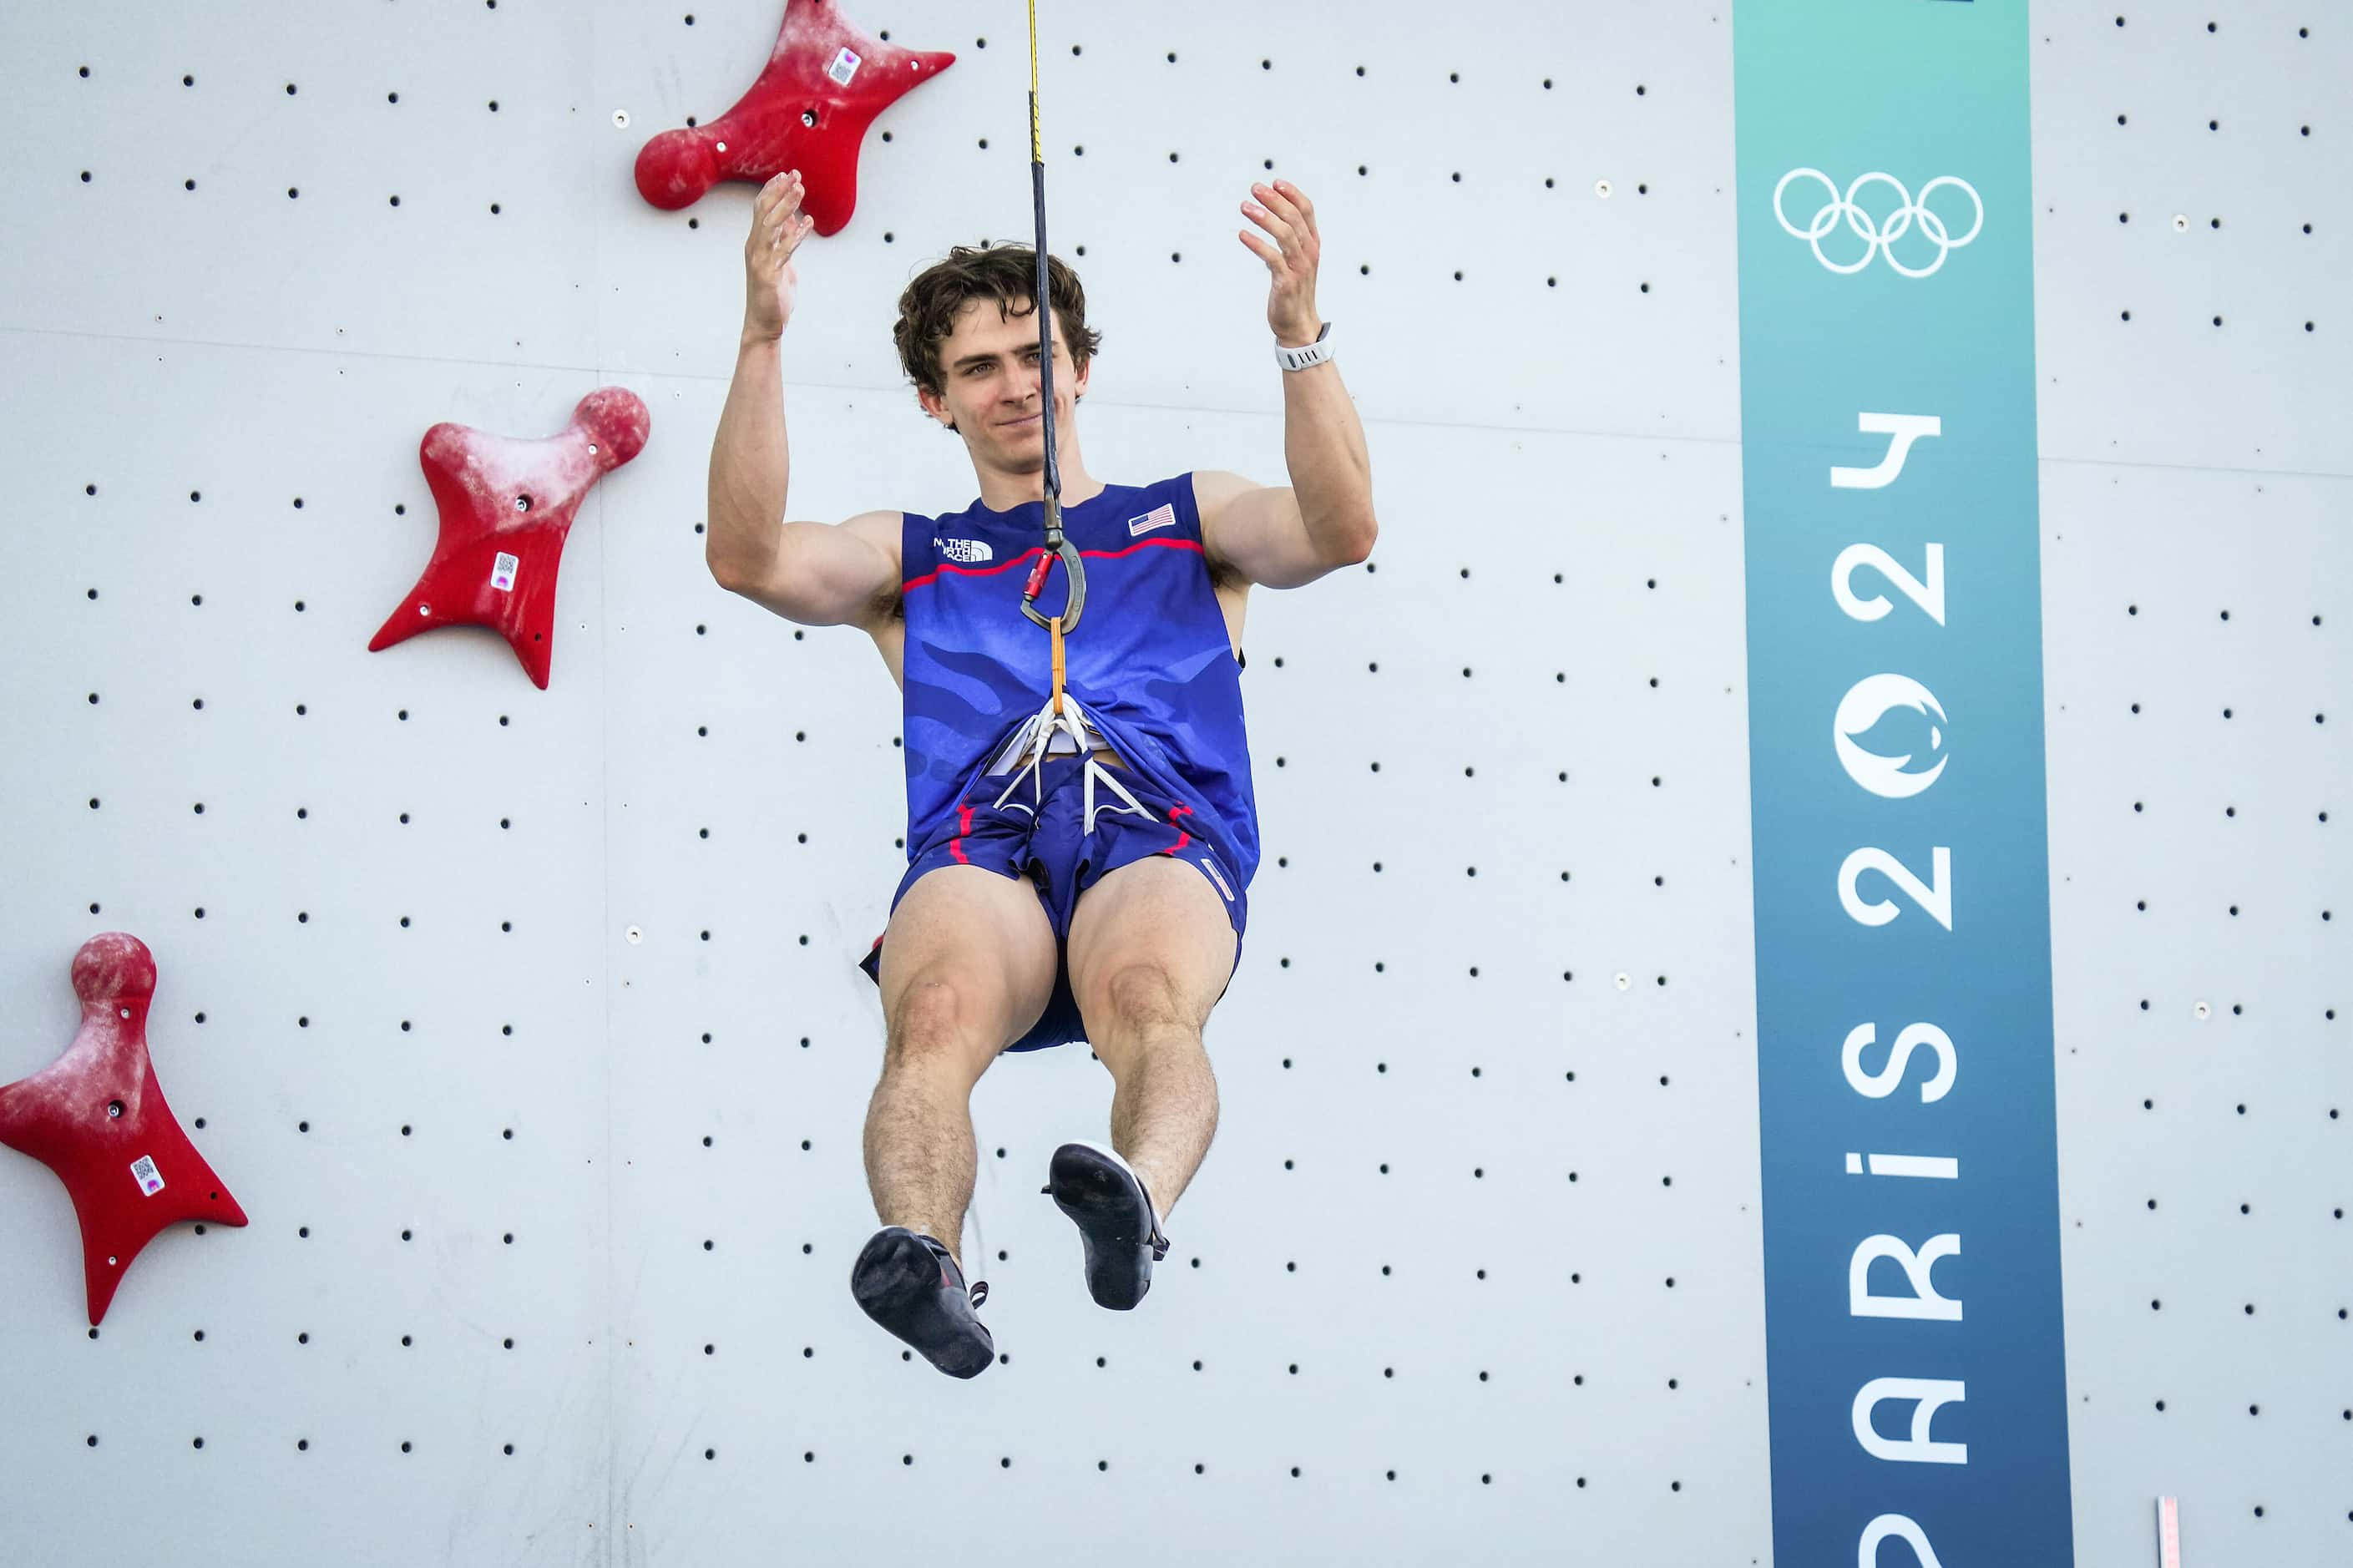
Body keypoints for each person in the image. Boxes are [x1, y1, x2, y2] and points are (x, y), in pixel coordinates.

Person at [705, 168, 1376, 1378]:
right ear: (932, 400)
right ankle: (924, 1258)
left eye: (1033, 352)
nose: (1013, 383)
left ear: (1077, 364)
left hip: (1159, 843)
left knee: (1142, 999)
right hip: (983, 856)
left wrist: (1297, 339)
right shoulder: (907, 557)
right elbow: (747, 558)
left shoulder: (1192, 519)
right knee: (933, 1019)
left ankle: (1134, 1203)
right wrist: (761, 336)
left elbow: (1342, 533)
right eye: (976, 368)